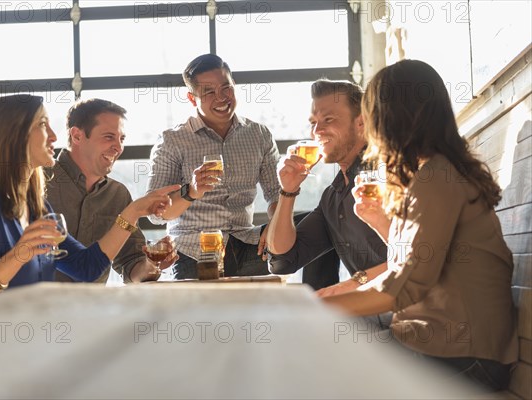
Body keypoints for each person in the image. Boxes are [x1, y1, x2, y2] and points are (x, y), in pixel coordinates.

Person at [322, 60, 517, 391]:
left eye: (370, 114)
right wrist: (382, 223)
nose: (366, 126)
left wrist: (313, 308)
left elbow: (405, 285)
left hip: (468, 357)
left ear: (392, 117)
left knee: (324, 367)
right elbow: (412, 267)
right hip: (441, 344)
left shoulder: (437, 177)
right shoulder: (430, 174)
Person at [0, 94, 179, 298]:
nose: (54, 136)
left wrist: (133, 212)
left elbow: (87, 267)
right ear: (15, 134)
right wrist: (18, 254)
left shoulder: (36, 207)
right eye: (43, 124)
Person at [147, 54, 280, 279]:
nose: (221, 98)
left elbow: (276, 194)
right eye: (209, 92)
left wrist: (275, 225)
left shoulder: (259, 135)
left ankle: (322, 302)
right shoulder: (172, 141)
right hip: (192, 251)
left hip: (246, 244)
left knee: (310, 221)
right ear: (192, 98)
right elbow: (156, 214)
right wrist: (191, 192)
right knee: (199, 313)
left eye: (226, 88)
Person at [267, 80, 387, 293]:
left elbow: (420, 259)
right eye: (313, 122)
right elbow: (283, 260)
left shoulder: (388, 174)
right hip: (367, 316)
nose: (317, 131)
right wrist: (288, 190)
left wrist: (350, 286)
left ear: (361, 123)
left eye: (328, 120)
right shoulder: (332, 197)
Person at [46, 98, 177, 284]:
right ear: (76, 136)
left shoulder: (118, 194)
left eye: (121, 139)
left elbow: (132, 265)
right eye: (109, 137)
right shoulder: (39, 184)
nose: (118, 147)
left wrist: (152, 262)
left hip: (96, 309)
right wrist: (133, 212)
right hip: (37, 307)